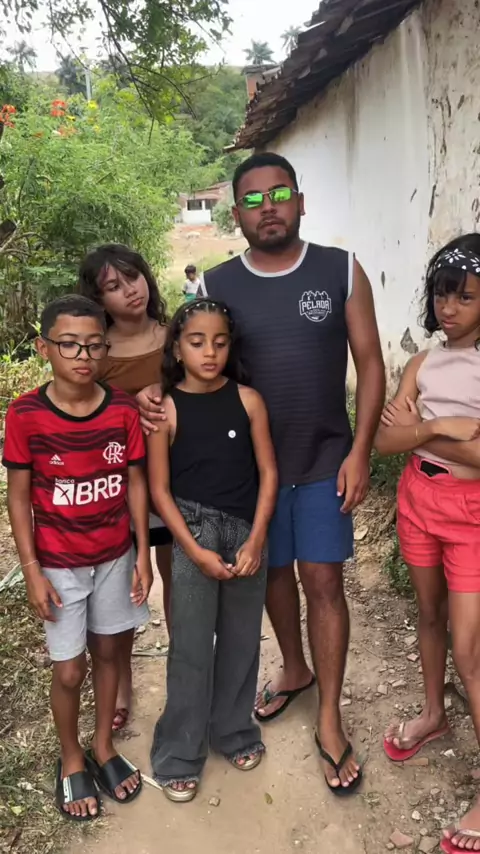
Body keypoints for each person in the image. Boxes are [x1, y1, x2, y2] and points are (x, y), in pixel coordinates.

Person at [137, 152, 385, 794]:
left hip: (324, 460)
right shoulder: (217, 283)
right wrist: (151, 395)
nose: (266, 207)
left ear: (300, 201)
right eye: (251, 199)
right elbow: (189, 356)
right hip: (249, 478)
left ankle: (329, 719)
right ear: (237, 212)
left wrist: (360, 451)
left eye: (278, 194)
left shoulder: (340, 269)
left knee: (322, 581)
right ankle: (294, 668)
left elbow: (371, 363)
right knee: (271, 575)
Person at [3, 295, 153, 820]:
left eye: (93, 345)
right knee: (69, 670)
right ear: (44, 348)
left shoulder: (122, 409)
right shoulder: (24, 414)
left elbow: (136, 482)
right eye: (69, 345)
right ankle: (71, 757)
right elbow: (18, 497)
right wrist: (31, 571)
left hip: (114, 556)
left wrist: (142, 554)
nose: (83, 356)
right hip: (58, 563)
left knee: (110, 652)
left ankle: (103, 747)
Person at [148, 297, 278, 802]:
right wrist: (194, 550)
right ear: (177, 348)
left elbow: (268, 473)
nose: (209, 352)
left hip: (246, 533)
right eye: (197, 342)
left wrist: (257, 537)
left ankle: (234, 730)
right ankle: (179, 751)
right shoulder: (164, 408)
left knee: (243, 639)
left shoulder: (249, 401)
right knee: (192, 645)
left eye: (220, 343)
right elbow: (159, 490)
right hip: (193, 534)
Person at [375, 234, 480, 853]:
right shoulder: (423, 362)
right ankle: (435, 714)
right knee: (429, 616)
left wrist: (417, 429)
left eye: (466, 297)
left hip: (470, 514)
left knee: (470, 650)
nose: (450, 307)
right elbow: (385, 441)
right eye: (443, 294)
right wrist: (442, 428)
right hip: (418, 499)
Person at [78, 244, 172, 733]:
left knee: (178, 581)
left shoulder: (176, 336)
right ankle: (122, 684)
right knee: (125, 589)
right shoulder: (98, 351)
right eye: (113, 287)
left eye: (133, 277)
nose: (129, 291)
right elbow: (82, 410)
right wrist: (128, 404)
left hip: (177, 480)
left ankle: (184, 675)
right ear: (99, 300)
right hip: (118, 485)